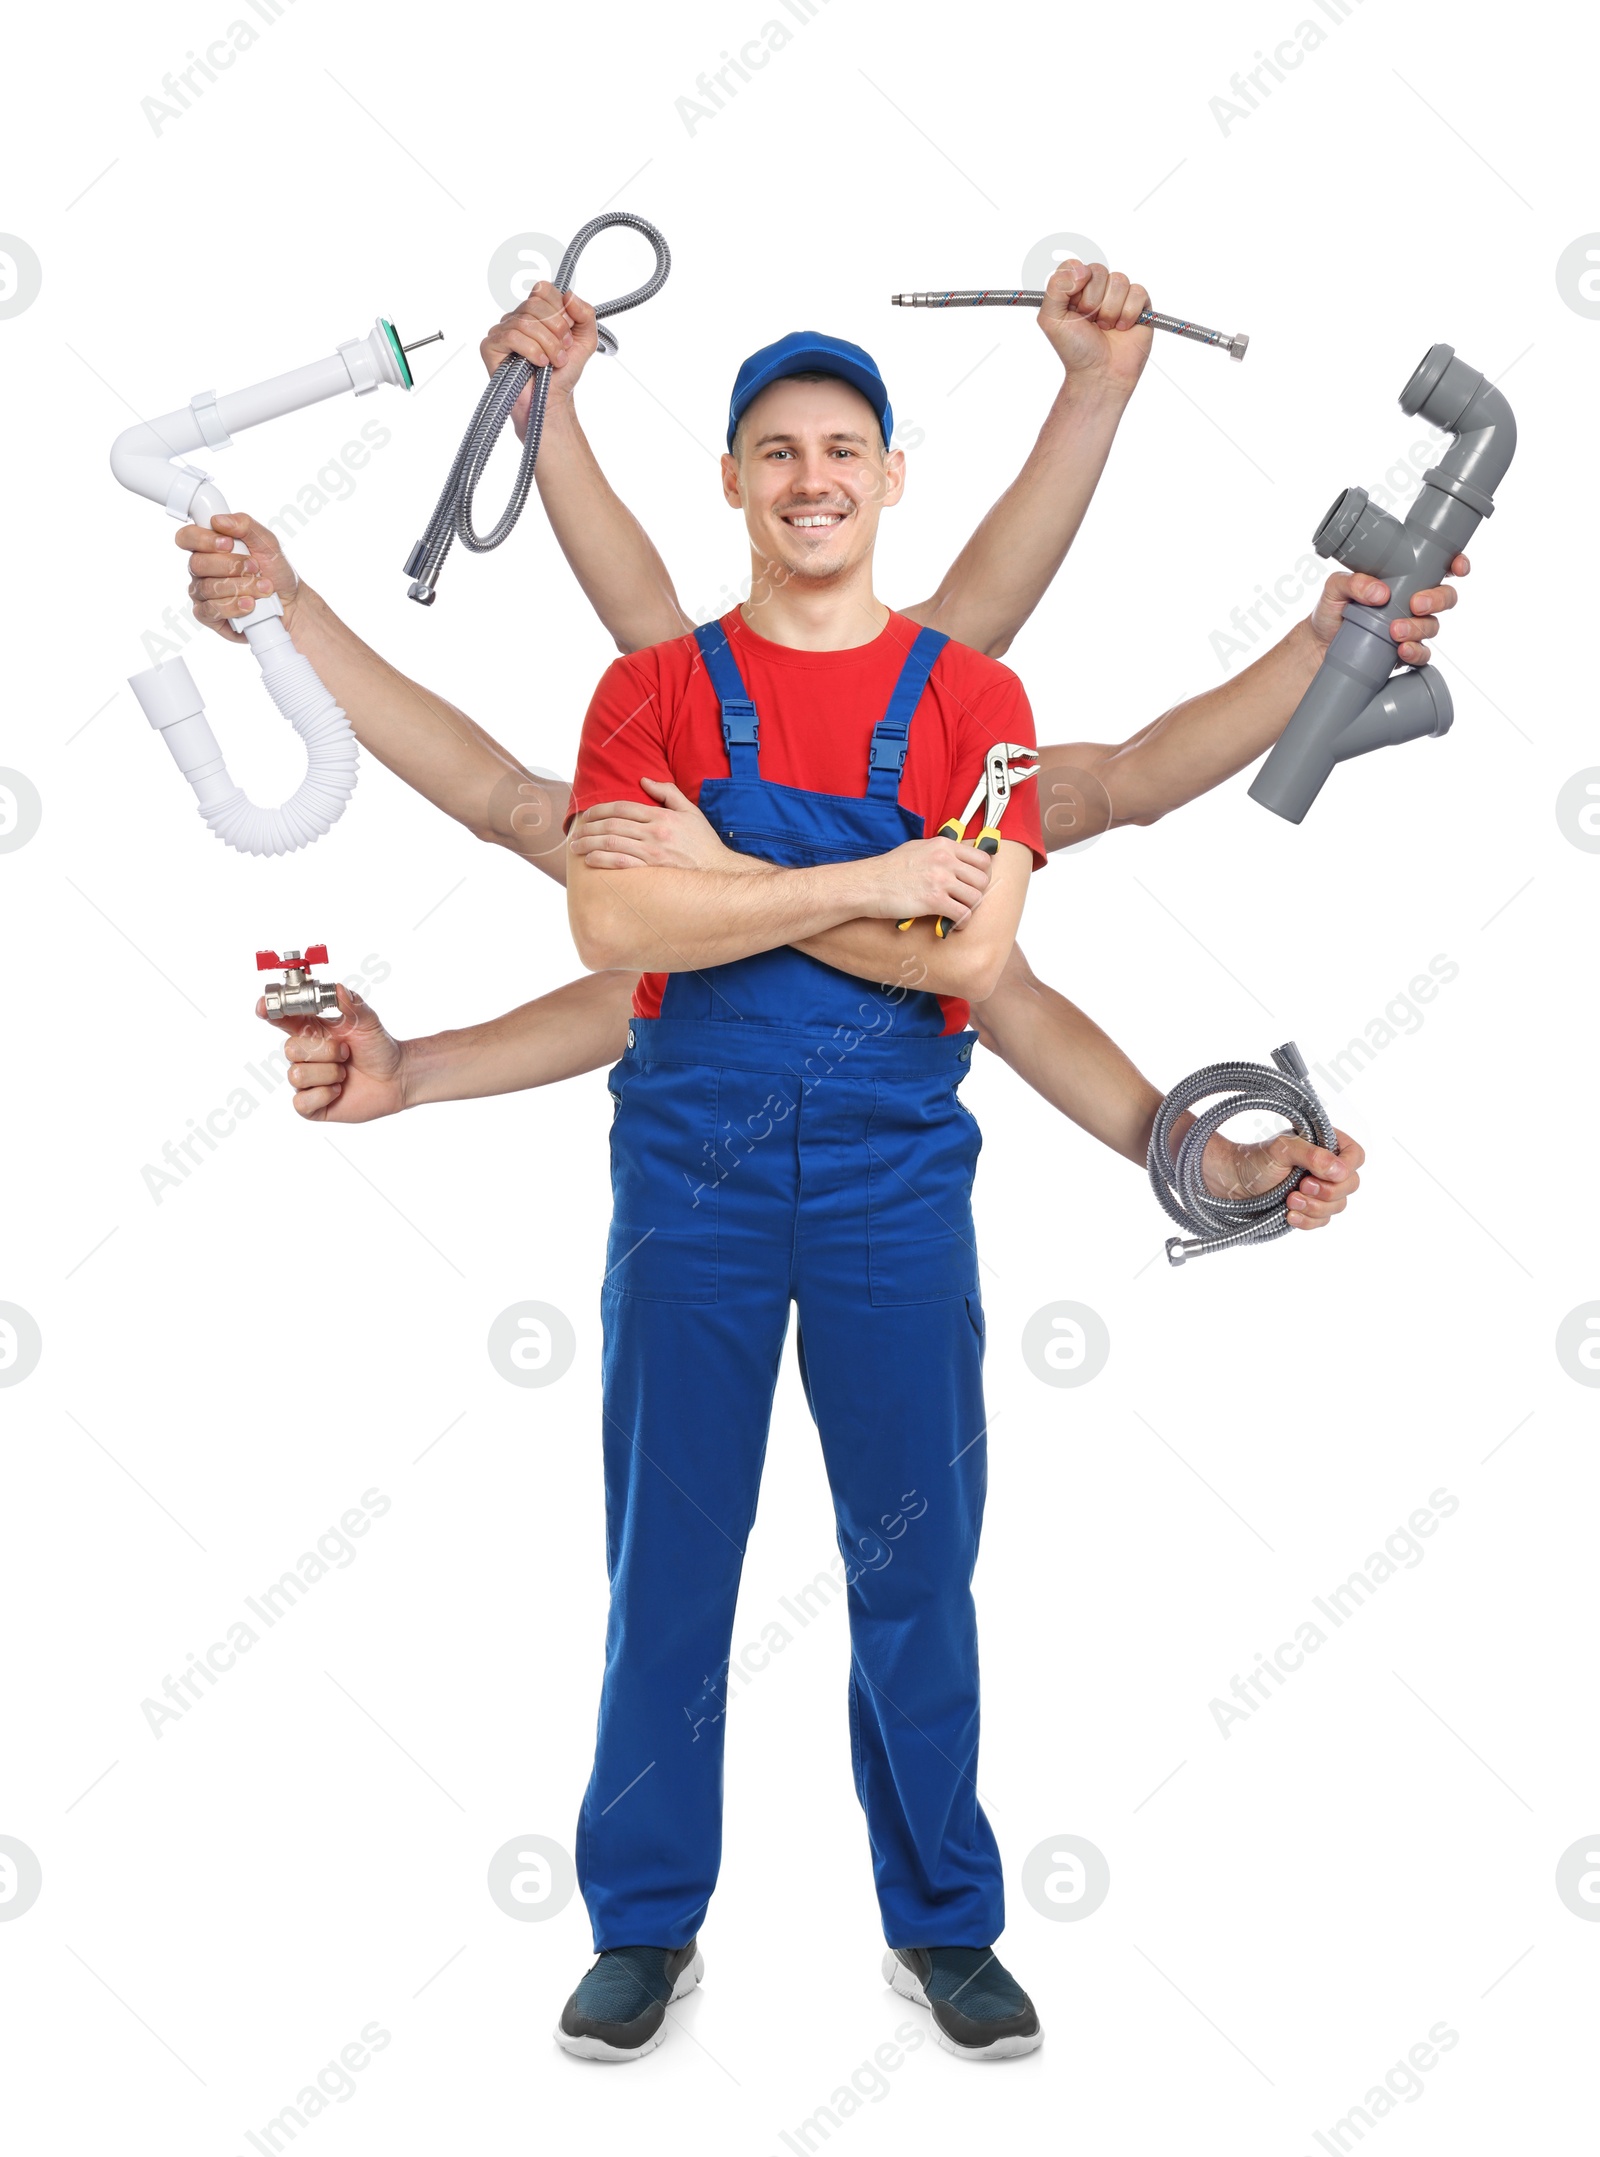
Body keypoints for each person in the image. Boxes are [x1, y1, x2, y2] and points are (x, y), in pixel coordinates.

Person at [174, 263, 1420, 2065]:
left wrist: (743, 885)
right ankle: (646, 1923)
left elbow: (986, 960)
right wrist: (853, 885)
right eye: (775, 449)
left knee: (917, 1569)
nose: (811, 474)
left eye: (844, 447)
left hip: (896, 1200)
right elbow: (609, 907)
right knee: (665, 1570)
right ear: (738, 483)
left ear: (892, 478)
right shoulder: (660, 692)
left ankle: (943, 1921)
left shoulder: (964, 697)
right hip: (689, 1190)